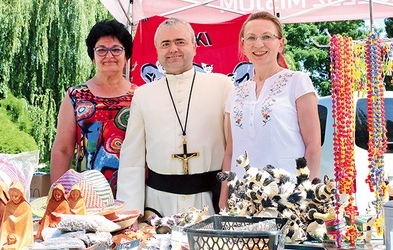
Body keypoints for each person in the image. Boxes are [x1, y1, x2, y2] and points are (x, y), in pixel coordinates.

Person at [117, 17, 234, 217]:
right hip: (158, 205)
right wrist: (130, 214)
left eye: (180, 42)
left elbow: (235, 150)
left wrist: (230, 198)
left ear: (194, 46)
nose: (173, 49)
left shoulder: (223, 86)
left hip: (211, 203)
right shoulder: (143, 94)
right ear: (157, 51)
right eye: (165, 44)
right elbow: (132, 160)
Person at [219, 12, 321, 209]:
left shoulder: (297, 82)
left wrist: (306, 196)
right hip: (243, 201)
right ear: (243, 45)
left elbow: (313, 145)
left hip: (287, 200)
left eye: (266, 37)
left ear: (280, 44)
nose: (259, 44)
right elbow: (230, 153)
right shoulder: (235, 94)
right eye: (251, 38)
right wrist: (224, 197)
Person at [50, 19, 137, 197]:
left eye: (116, 49)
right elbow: (63, 149)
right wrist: (58, 195)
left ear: (126, 55)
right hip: (84, 195)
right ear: (93, 56)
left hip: (133, 192)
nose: (109, 55)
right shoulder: (75, 96)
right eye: (101, 50)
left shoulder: (140, 96)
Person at [0, 181, 33, 250]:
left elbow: (27, 228)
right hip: (8, 236)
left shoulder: (26, 207)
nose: (14, 198)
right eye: (12, 196)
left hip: (22, 237)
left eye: (16, 196)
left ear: (21, 195)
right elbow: (5, 226)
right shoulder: (8, 206)